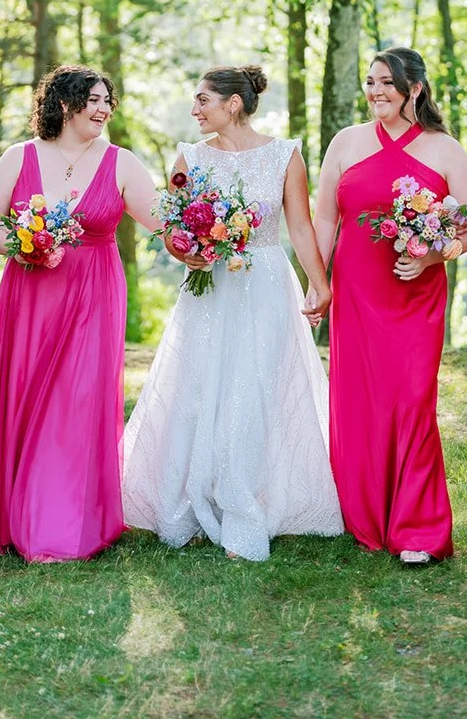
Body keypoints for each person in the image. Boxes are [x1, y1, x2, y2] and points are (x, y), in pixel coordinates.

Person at [122, 64, 341, 562]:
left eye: (203, 100)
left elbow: (301, 228)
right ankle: (192, 498)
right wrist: (185, 252)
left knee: (256, 385)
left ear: (233, 104)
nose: (194, 109)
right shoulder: (190, 157)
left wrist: (319, 284)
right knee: (200, 384)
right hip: (210, 286)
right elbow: (170, 225)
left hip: (263, 282)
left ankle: (249, 498)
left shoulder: (285, 155)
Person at [0, 64, 159, 562]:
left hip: (95, 294)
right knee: (27, 394)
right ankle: (14, 515)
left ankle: (59, 522)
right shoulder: (19, 157)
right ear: (66, 104)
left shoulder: (122, 162)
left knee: (77, 399)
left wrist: (211, 236)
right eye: (94, 100)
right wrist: (18, 244)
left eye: (107, 101)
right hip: (30, 294)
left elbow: (163, 223)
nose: (104, 109)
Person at [313, 47, 467, 564]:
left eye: (386, 83)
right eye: (370, 82)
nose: (376, 92)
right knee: (359, 401)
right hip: (356, 292)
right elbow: (325, 220)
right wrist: (316, 284)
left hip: (414, 296)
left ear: (415, 89)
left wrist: (435, 257)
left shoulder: (444, 149)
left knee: (411, 401)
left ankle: (416, 528)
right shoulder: (345, 143)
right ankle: (358, 513)